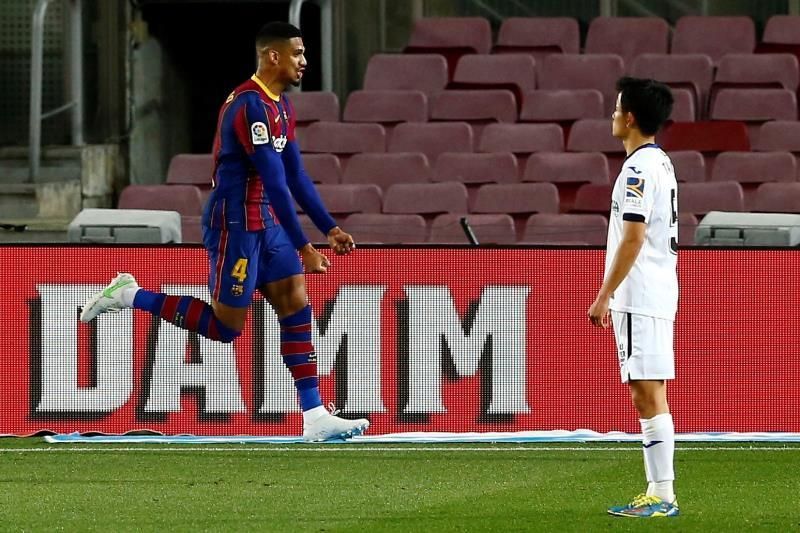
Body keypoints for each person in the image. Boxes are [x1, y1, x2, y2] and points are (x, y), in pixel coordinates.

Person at [80, 21, 369, 443]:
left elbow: (296, 175)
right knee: (225, 328)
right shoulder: (249, 107)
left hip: (266, 221)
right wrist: (305, 245)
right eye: (297, 53)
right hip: (235, 225)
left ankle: (315, 416)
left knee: (295, 302)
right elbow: (275, 182)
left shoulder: (282, 107)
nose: (304, 61)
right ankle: (128, 294)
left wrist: (330, 227)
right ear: (273, 56)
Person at [588, 77, 679, 518]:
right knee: (652, 391)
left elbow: (633, 237)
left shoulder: (637, 170)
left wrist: (604, 295)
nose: (611, 115)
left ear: (629, 118)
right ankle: (661, 492)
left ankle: (661, 495)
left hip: (639, 294)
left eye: (616, 108)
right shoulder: (661, 162)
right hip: (658, 290)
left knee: (645, 393)